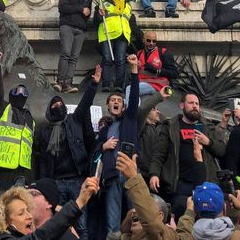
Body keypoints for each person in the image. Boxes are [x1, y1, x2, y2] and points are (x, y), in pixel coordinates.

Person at [35, 65, 101, 239]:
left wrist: (93, 85)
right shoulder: (44, 132)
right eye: (54, 105)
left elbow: (84, 104)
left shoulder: (73, 120)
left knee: (81, 224)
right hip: (56, 183)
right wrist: (42, 185)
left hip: (76, 180)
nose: (58, 106)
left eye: (60, 104)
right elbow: (42, 161)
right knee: (58, 224)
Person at [149, 93, 227, 219]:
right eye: (191, 103)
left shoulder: (207, 126)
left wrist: (208, 142)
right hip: (179, 182)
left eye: (197, 104)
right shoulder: (171, 126)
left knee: (204, 218)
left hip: (203, 182)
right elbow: (159, 153)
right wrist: (154, 174)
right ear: (182, 105)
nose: (195, 106)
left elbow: (221, 151)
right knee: (181, 217)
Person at [95, 54, 141, 236]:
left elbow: (135, 92)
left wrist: (134, 70)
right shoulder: (105, 129)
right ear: (108, 106)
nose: (116, 102)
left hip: (130, 173)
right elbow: (95, 151)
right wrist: (103, 146)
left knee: (137, 217)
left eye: (119, 101)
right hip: (112, 176)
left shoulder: (129, 119)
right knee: (112, 221)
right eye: (112, 100)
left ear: (124, 107)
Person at [0, 177, 99, 240]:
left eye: (33, 194)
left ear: (49, 203)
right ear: (7, 222)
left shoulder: (66, 235)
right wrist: (79, 202)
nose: (29, 215)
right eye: (21, 213)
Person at [0, 50, 35, 189]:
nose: (20, 94)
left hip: (20, 174)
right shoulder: (3, 108)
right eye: (16, 91)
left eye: (23, 92)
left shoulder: (30, 118)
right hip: (0, 171)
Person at [176, 182, 240, 240]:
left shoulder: (188, 237)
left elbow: (182, 233)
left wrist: (189, 213)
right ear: (224, 208)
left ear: (195, 211)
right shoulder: (239, 237)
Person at [115, 151, 178, 240]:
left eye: (147, 206)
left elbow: (153, 225)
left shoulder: (165, 236)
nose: (136, 211)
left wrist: (133, 178)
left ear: (160, 216)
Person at [55, 0, 94, 93]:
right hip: (67, 26)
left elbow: (87, 14)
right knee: (66, 53)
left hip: (80, 29)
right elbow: (62, 7)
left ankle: (68, 83)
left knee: (74, 57)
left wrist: (89, 13)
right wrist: (80, 9)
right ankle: (60, 81)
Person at [96, 0, 132, 92]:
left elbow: (131, 21)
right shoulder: (103, 1)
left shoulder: (128, 4)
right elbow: (95, 20)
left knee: (120, 59)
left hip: (123, 34)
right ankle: (106, 84)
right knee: (106, 59)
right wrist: (99, 15)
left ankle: (118, 86)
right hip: (107, 33)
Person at [136, 31, 179, 95]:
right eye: (148, 40)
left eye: (154, 41)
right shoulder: (139, 53)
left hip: (158, 85)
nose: (151, 43)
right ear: (143, 40)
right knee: (130, 89)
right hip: (142, 82)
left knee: (133, 90)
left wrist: (157, 70)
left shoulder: (163, 52)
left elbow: (174, 73)